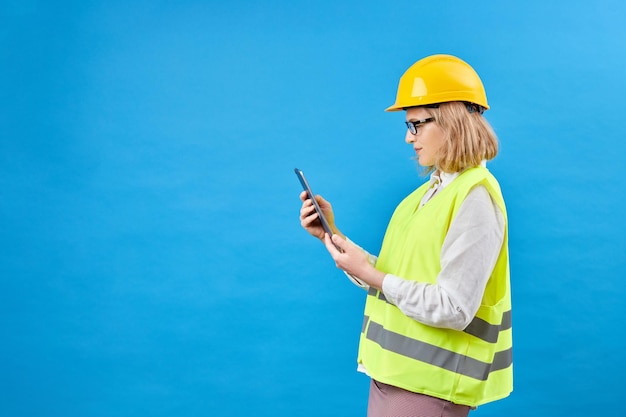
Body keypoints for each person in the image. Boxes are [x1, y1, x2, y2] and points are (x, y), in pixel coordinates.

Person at [298, 54, 512, 417]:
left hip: (430, 389)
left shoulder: (476, 196)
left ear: (452, 120)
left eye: (416, 124)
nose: (408, 137)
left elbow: (454, 307)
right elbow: (395, 276)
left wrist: (372, 275)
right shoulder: (427, 195)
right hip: (394, 378)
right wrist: (330, 236)